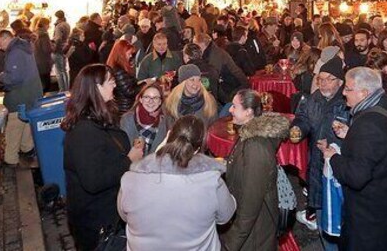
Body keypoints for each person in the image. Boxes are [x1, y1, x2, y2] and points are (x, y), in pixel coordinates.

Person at [320, 66, 387, 251]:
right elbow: (380, 145)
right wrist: (351, 134)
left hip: (373, 216)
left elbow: (356, 176)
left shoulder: (367, 124)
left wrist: (333, 157)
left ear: (364, 93)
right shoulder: (383, 104)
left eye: (348, 89)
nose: (343, 93)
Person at [118, 115, 235, 251]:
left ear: (168, 136)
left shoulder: (130, 179)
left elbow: (124, 216)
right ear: (198, 149)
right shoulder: (212, 181)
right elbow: (226, 215)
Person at [62, 64, 144, 250]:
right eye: (110, 81)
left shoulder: (99, 118)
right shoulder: (83, 130)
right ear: (96, 88)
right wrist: (129, 160)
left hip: (108, 217)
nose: (115, 85)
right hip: (97, 224)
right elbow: (93, 179)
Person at [289, 57, 349, 249]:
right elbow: (302, 118)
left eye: (329, 79)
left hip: (342, 169)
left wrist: (339, 141)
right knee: (324, 217)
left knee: (345, 218)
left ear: (340, 81)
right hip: (318, 165)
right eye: (320, 79)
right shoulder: (312, 99)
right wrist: (297, 129)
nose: (323, 83)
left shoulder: (348, 101)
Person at [223, 89, 289, 251]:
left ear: (248, 112)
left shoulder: (256, 147)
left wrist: (232, 243)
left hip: (254, 235)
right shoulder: (248, 134)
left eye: (234, 106)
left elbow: (250, 202)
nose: (230, 110)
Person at [0, 29, 44, 166]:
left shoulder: (15, 52)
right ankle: (27, 148)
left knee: (14, 126)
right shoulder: (24, 47)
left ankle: (11, 159)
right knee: (26, 122)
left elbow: (14, 77)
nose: (0, 48)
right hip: (32, 92)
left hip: (20, 95)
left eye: (0, 44)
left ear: (6, 38)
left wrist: (1, 76)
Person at [193, 32, 249, 106]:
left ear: (201, 44)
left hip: (235, 87)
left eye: (195, 45)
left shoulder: (215, 55)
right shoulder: (211, 52)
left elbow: (213, 77)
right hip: (230, 86)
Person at [121, 83, 170, 156]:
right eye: (147, 97)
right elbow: (123, 149)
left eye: (155, 98)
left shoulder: (166, 120)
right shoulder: (128, 119)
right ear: (140, 99)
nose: (151, 101)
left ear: (160, 102)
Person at [106, 39, 139, 113]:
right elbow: (129, 92)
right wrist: (145, 83)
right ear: (122, 54)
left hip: (123, 106)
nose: (130, 56)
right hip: (124, 107)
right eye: (129, 53)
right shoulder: (118, 70)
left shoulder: (118, 67)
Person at [33, 17, 54, 92]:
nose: (49, 26)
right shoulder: (44, 35)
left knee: (40, 82)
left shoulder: (35, 33)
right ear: (45, 25)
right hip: (44, 62)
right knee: (46, 84)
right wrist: (53, 47)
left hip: (37, 60)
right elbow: (47, 49)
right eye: (48, 24)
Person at [52, 10, 71, 91]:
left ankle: (62, 89)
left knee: (59, 71)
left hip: (59, 50)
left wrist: (55, 49)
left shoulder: (59, 26)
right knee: (64, 70)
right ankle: (66, 88)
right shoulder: (67, 24)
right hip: (65, 48)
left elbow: (58, 39)